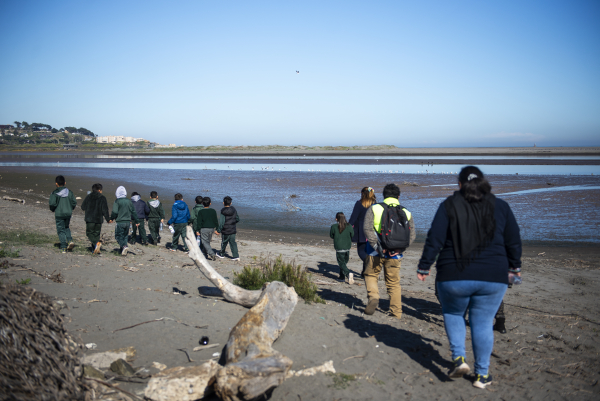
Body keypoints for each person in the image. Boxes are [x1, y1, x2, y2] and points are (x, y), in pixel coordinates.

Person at [417, 166, 521, 389]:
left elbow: (434, 238)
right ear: (483, 183)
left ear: (460, 184)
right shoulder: (501, 206)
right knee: (482, 323)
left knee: (453, 312)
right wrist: (515, 268)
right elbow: (513, 240)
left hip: (453, 274)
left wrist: (424, 266)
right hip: (493, 275)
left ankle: (459, 359)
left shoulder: (448, 205)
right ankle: (482, 376)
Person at [363, 183, 415, 319]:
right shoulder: (407, 212)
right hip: (396, 255)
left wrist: (377, 247)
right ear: (398, 196)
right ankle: (396, 312)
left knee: (370, 275)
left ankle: (373, 297)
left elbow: (367, 229)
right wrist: (400, 249)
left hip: (375, 252)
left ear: (383, 195)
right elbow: (412, 235)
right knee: (393, 283)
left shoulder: (374, 209)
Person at [348, 187, 376, 275]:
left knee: (361, 251)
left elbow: (353, 218)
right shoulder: (375, 204)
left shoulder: (359, 203)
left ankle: (369, 264)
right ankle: (364, 273)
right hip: (372, 230)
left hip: (361, 231)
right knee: (368, 251)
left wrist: (347, 227)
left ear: (363, 194)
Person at [49, 175, 77, 253]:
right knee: (66, 227)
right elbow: (74, 202)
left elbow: (52, 204)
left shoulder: (54, 193)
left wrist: (53, 209)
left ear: (56, 184)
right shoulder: (69, 192)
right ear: (65, 183)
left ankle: (63, 246)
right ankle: (70, 240)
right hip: (68, 213)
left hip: (59, 213)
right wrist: (70, 208)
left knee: (60, 229)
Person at [80, 183, 111, 254]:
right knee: (96, 234)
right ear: (99, 190)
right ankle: (94, 248)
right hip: (98, 219)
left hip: (89, 219)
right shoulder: (102, 198)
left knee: (89, 233)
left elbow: (82, 207)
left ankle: (95, 244)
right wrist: (108, 219)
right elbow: (105, 210)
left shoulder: (88, 197)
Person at [110, 186, 140, 256]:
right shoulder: (129, 201)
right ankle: (122, 250)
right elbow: (133, 211)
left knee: (118, 236)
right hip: (127, 222)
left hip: (120, 221)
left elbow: (115, 212)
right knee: (125, 236)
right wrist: (137, 221)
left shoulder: (117, 201)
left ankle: (124, 246)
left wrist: (111, 218)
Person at [329, 212, 354, 282]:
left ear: (336, 219)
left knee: (341, 263)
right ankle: (342, 277)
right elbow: (352, 235)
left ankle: (348, 274)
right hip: (347, 247)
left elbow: (331, 235)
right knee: (344, 263)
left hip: (339, 247)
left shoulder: (334, 226)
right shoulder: (349, 226)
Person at [216, 196, 240, 261]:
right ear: (231, 203)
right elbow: (237, 219)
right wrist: (233, 223)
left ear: (223, 203)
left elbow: (222, 222)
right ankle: (236, 256)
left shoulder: (223, 211)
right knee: (233, 242)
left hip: (225, 230)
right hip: (232, 229)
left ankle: (221, 254)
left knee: (224, 242)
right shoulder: (234, 209)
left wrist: (218, 230)